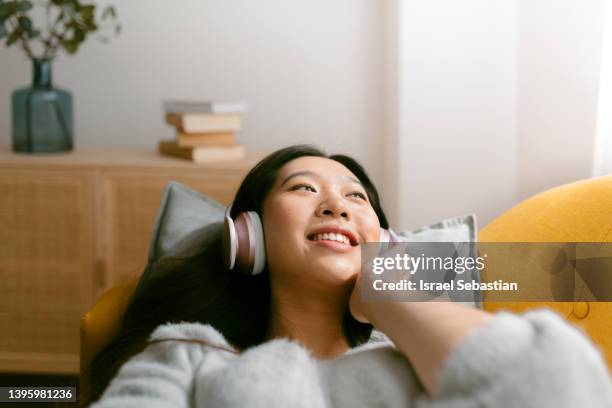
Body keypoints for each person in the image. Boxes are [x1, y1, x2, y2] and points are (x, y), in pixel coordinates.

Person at [87, 145, 611, 407]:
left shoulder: (418, 362)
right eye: (303, 189)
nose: (337, 204)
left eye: (356, 196)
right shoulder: (188, 354)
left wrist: (392, 296)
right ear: (250, 233)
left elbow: (557, 388)